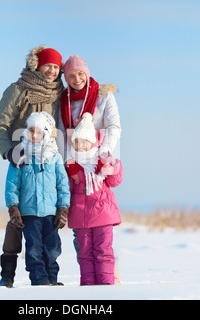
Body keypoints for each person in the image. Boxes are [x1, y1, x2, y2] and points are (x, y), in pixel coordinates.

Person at [0, 46, 64, 288]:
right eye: (47, 66)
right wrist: (9, 152)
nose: (52, 71)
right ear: (36, 65)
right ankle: (7, 274)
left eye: (56, 67)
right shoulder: (18, 90)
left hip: (49, 164)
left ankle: (47, 277)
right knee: (16, 221)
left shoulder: (60, 93)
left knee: (44, 228)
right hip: (21, 161)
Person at [57, 55, 122, 284]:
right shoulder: (63, 101)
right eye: (71, 76)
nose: (76, 79)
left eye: (80, 73)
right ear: (66, 78)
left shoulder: (104, 96)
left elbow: (114, 126)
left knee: (102, 231)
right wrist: (67, 163)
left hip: (98, 168)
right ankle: (89, 279)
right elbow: (61, 136)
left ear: (87, 72)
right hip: (74, 169)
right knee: (81, 232)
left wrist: (102, 154)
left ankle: (108, 276)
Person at [5, 112, 70, 286]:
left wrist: (63, 208)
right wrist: (13, 207)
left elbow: (63, 184)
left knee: (52, 247)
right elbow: (12, 183)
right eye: (31, 130)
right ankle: (39, 280)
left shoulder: (54, 157)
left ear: (46, 134)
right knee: (34, 249)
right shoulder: (21, 155)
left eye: (39, 131)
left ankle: (51, 279)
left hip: (50, 213)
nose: (33, 135)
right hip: (29, 212)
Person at [66, 113, 123, 285]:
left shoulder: (101, 159)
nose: (80, 145)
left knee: (103, 249)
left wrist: (112, 167)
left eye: (84, 141)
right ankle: (88, 285)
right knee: (84, 252)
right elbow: (67, 189)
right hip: (81, 216)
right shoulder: (71, 165)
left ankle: (106, 284)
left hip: (102, 214)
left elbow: (115, 181)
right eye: (77, 142)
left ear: (92, 142)